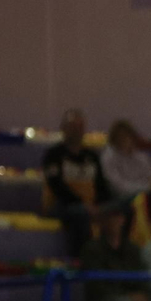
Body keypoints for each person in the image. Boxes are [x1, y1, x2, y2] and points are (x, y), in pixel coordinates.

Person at [44, 109, 112, 257]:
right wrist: (83, 204)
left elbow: (101, 185)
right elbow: (57, 187)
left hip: (91, 204)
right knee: (80, 215)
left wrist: (100, 205)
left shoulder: (92, 156)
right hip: (62, 204)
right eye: (72, 127)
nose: (76, 131)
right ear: (63, 128)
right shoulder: (53, 155)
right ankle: (82, 260)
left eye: (79, 127)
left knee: (121, 210)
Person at [79, 205, 151, 301]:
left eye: (117, 217)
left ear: (123, 220)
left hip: (132, 298)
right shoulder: (91, 250)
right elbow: (97, 287)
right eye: (109, 217)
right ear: (101, 222)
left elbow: (143, 279)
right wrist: (129, 297)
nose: (114, 221)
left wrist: (144, 297)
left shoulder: (133, 250)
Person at [101, 119, 151, 201]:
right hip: (120, 198)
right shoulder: (108, 157)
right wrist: (146, 187)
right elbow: (118, 187)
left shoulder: (141, 156)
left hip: (144, 196)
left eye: (128, 137)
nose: (126, 141)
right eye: (122, 137)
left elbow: (150, 178)